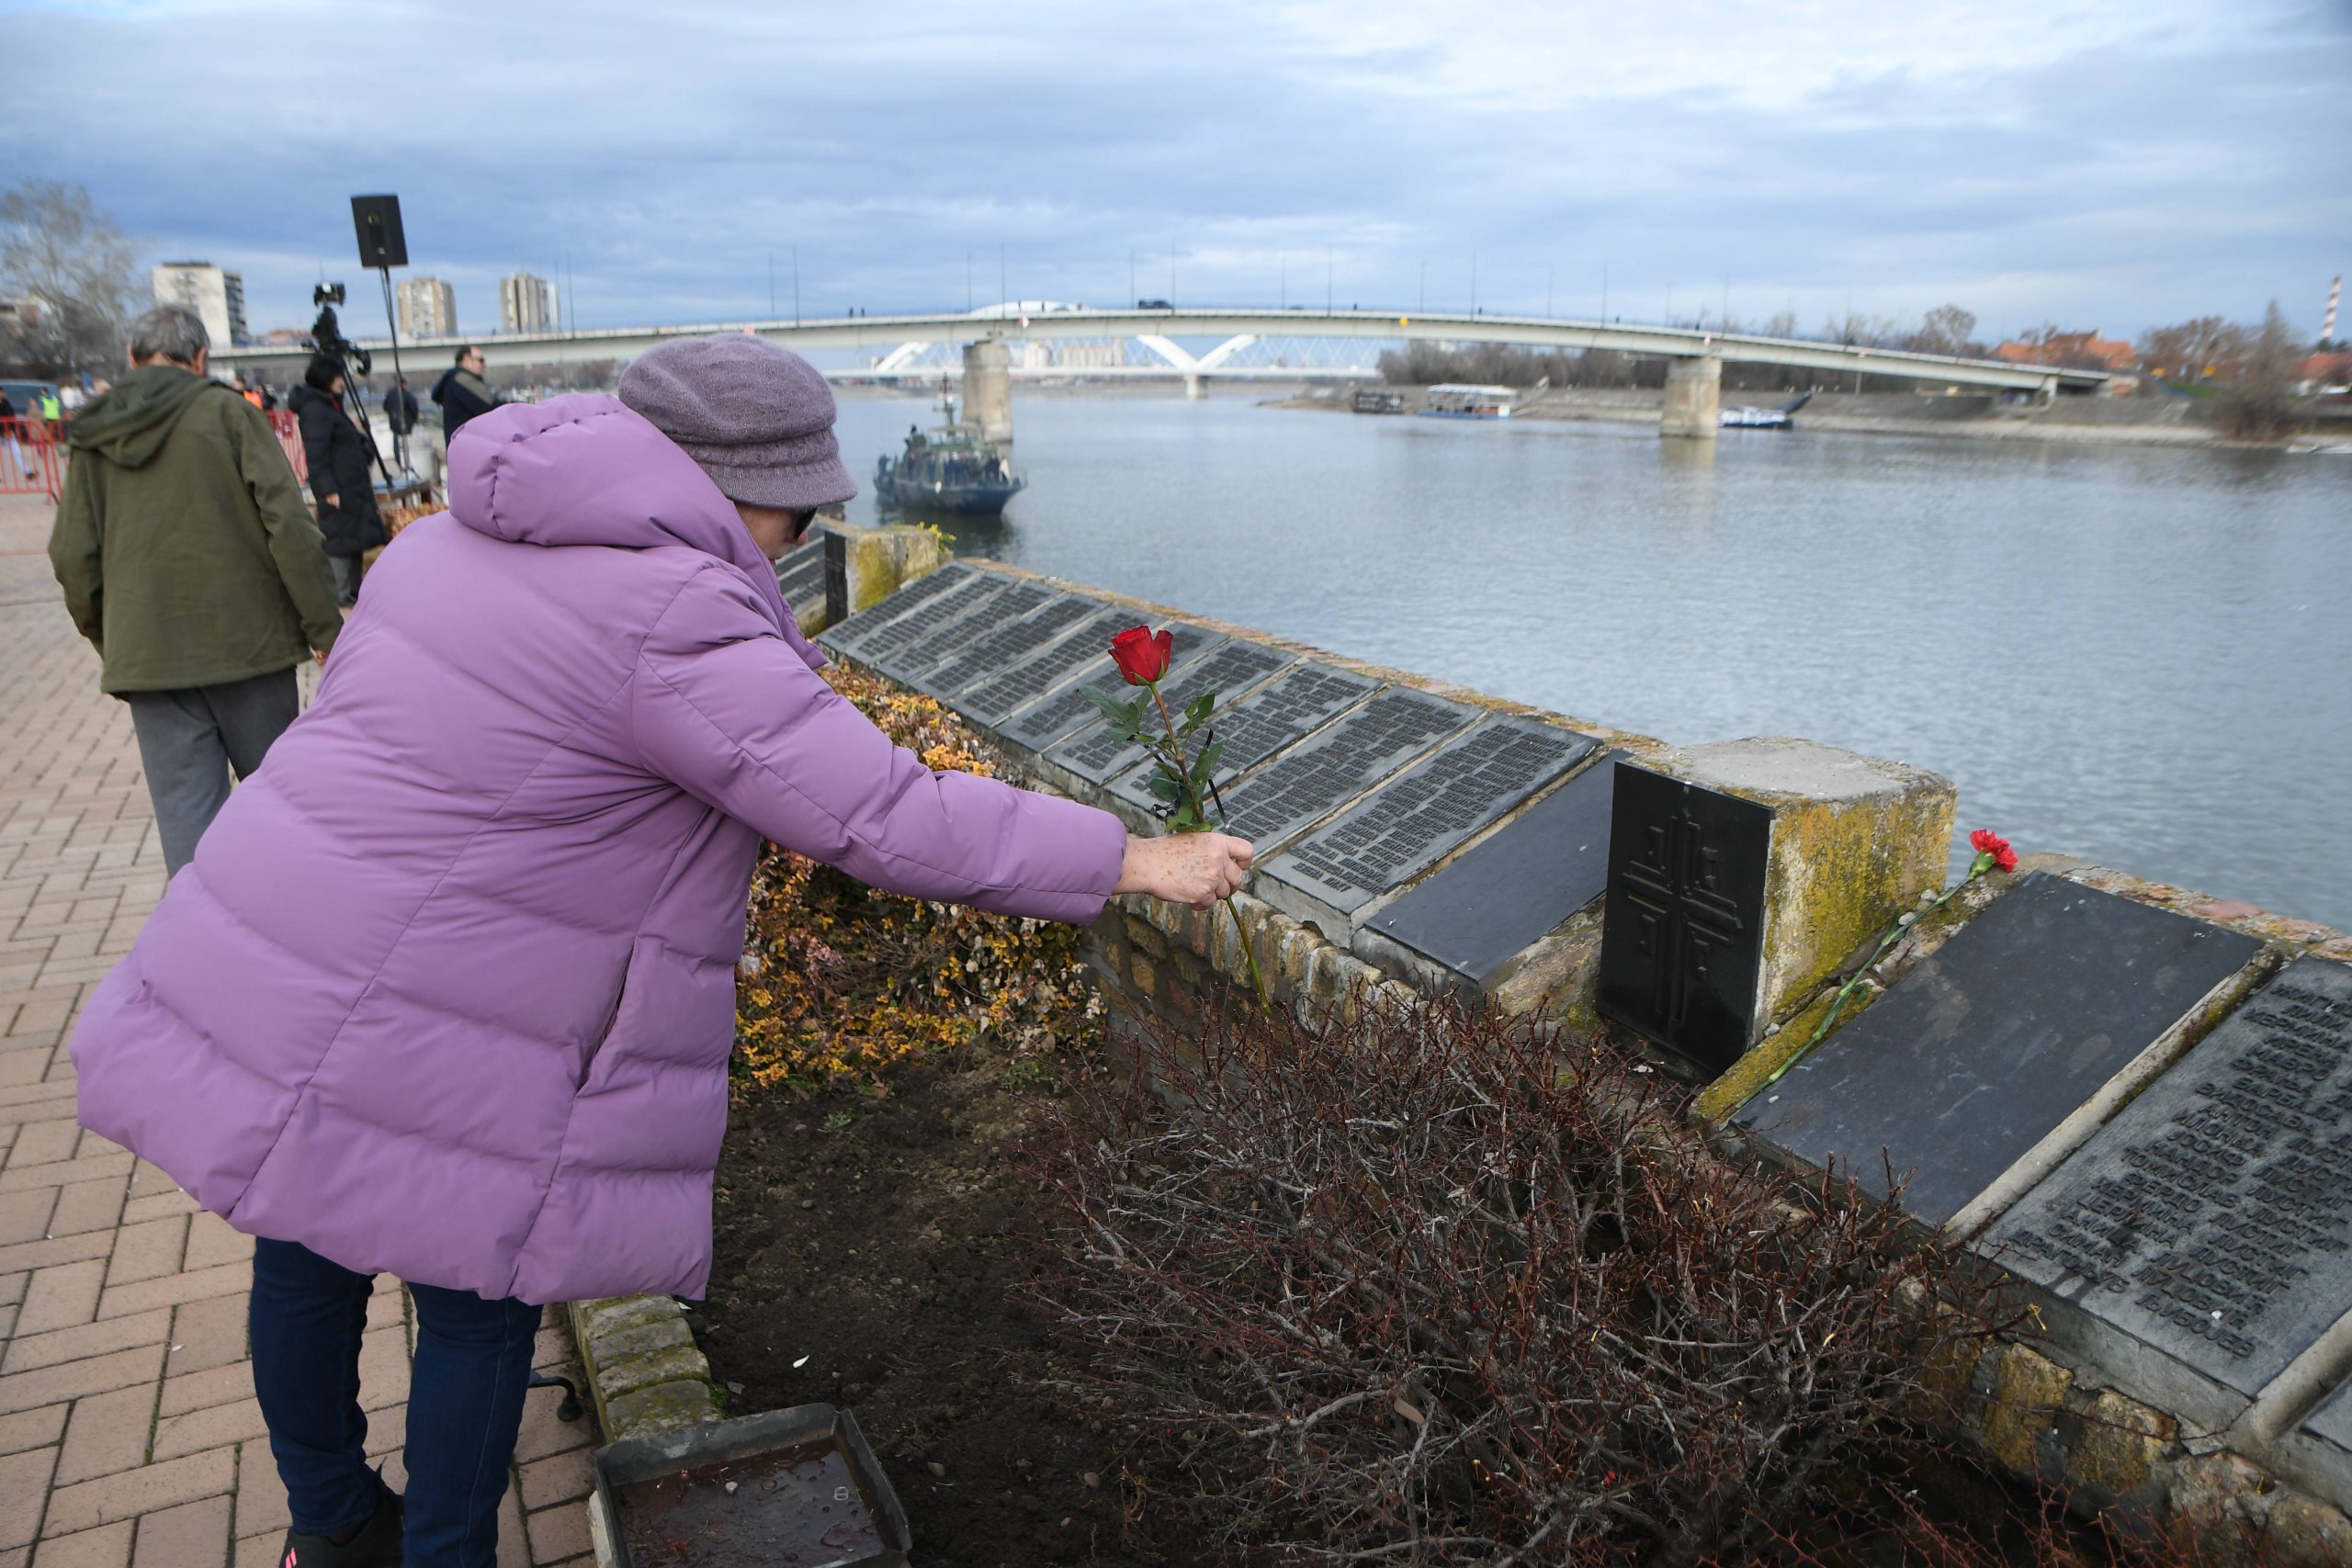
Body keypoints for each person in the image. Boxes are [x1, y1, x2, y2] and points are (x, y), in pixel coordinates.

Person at [68, 333, 1250, 1568]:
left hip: (283, 930)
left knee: (301, 1235)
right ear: (735, 485)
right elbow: (886, 812)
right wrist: (1130, 858)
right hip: (441, 993)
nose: (800, 538)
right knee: (481, 1291)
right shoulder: (675, 609)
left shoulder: (445, 540)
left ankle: (329, 1520)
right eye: (802, 507)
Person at [48, 305, 343, 877]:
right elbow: (290, 526)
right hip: (250, 646)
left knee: (189, 836)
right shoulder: (229, 414)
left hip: (151, 658)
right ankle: (294, 938)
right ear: (200, 359)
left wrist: (115, 640)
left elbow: (71, 556)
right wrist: (324, 629)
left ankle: (202, 954)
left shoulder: (91, 433)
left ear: (131, 360)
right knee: (280, 811)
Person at [289, 354, 389, 605]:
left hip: (349, 484)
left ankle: (353, 591)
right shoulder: (315, 410)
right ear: (327, 379)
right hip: (338, 488)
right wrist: (327, 489)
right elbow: (316, 454)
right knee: (339, 541)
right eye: (338, 377)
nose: (342, 381)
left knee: (352, 539)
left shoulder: (329, 405)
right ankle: (340, 595)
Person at [428, 343, 501, 441]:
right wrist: (517, 408)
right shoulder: (463, 380)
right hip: (469, 447)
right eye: (481, 360)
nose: (484, 364)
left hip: (458, 446)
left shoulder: (452, 380)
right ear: (467, 359)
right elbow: (491, 407)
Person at [383, 373, 419, 437]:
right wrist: (415, 419)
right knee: (405, 441)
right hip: (406, 423)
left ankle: (397, 447)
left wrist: (392, 413)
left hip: (394, 423)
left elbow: (385, 407)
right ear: (403, 384)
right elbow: (414, 407)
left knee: (396, 441)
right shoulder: (407, 395)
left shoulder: (390, 394)